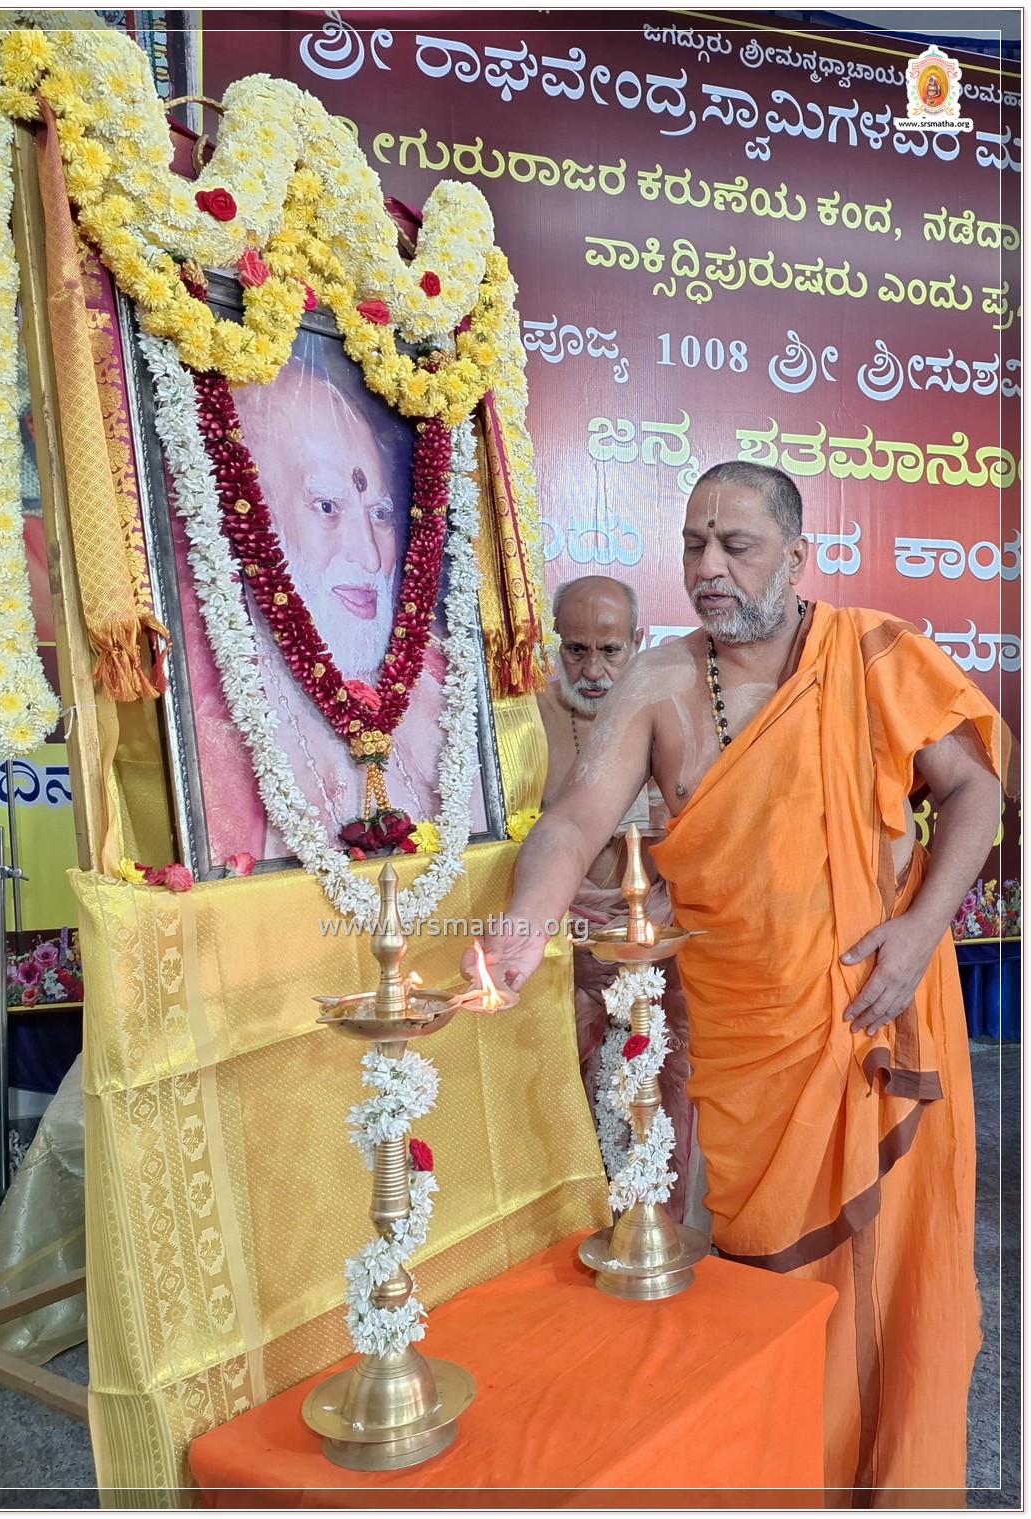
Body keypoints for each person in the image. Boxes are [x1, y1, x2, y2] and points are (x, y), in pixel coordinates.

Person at [475, 462, 1010, 1502]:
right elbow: (576, 819)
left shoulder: (871, 652)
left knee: (891, 1282)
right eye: (691, 546)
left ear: (797, 558)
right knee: (761, 1275)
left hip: (875, 1019)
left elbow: (978, 789)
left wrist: (914, 932)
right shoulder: (660, 680)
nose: (707, 569)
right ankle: (787, 1474)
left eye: (736, 546)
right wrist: (521, 922)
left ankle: (890, 1479)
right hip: (741, 1037)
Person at [174, 345, 484, 865]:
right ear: (249, 516)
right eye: (327, 506)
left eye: (381, 513)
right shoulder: (211, 716)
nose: (368, 555)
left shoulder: (437, 685)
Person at [537, 574, 698, 1224]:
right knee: (570, 1099)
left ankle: (663, 1234)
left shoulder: (674, 711)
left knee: (665, 1091)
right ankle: (589, 1235)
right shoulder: (528, 719)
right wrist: (559, 884)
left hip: (660, 944)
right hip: (565, 949)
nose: (593, 669)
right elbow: (515, 831)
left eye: (610, 650)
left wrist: (667, 895)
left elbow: (709, 829)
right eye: (576, 649)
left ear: (639, 641)